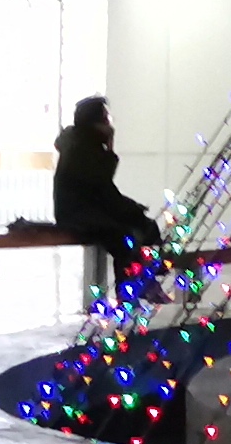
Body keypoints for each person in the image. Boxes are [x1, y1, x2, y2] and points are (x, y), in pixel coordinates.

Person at [51, 95, 165, 294]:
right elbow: (101, 186)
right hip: (77, 214)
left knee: (139, 227)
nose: (109, 124)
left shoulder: (83, 144)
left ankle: (141, 281)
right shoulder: (82, 148)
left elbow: (102, 188)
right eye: (105, 118)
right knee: (122, 235)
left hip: (86, 209)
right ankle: (132, 287)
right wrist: (110, 148)